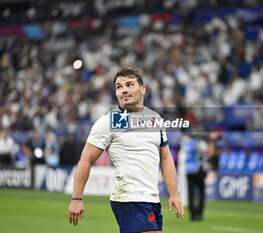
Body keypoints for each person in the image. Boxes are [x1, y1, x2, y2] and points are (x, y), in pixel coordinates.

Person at [67, 67, 184, 232]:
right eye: (119, 87)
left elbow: (165, 158)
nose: (124, 90)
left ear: (142, 89)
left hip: (152, 199)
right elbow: (86, 159)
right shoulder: (109, 122)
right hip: (129, 199)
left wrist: (174, 193)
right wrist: (76, 198)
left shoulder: (154, 119)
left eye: (129, 85)